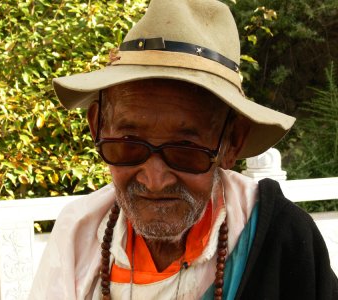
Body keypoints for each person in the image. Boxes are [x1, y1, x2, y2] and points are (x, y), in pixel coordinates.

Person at [29, 0, 338, 299]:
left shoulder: (278, 237)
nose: (154, 179)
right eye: (128, 144)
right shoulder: (79, 234)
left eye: (185, 149)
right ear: (98, 128)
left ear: (232, 142)